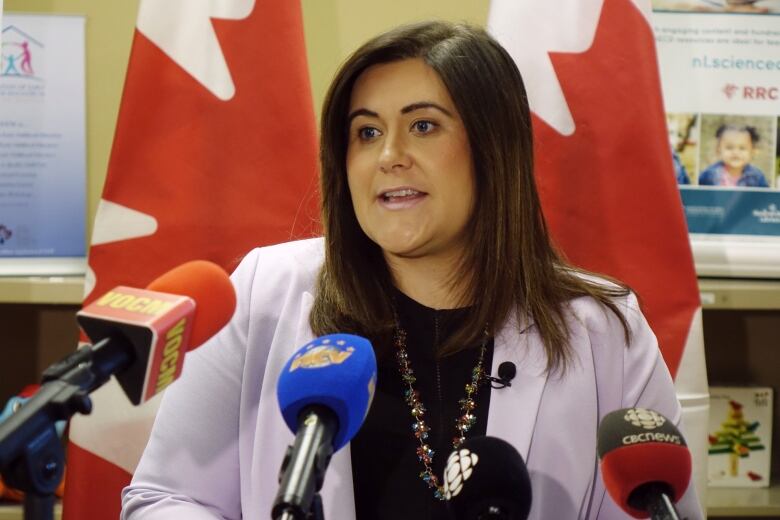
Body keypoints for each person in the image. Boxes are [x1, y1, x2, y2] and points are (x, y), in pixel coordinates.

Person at [121, 21, 703, 519]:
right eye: (366, 132)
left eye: (423, 126)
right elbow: (165, 495)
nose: (388, 155)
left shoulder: (604, 330)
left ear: (493, 149)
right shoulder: (265, 292)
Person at [698, 124, 769, 187]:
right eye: (729, 147)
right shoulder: (709, 174)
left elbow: (764, 198)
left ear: (752, 151)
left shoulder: (757, 176)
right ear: (718, 150)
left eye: (742, 148)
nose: (735, 152)